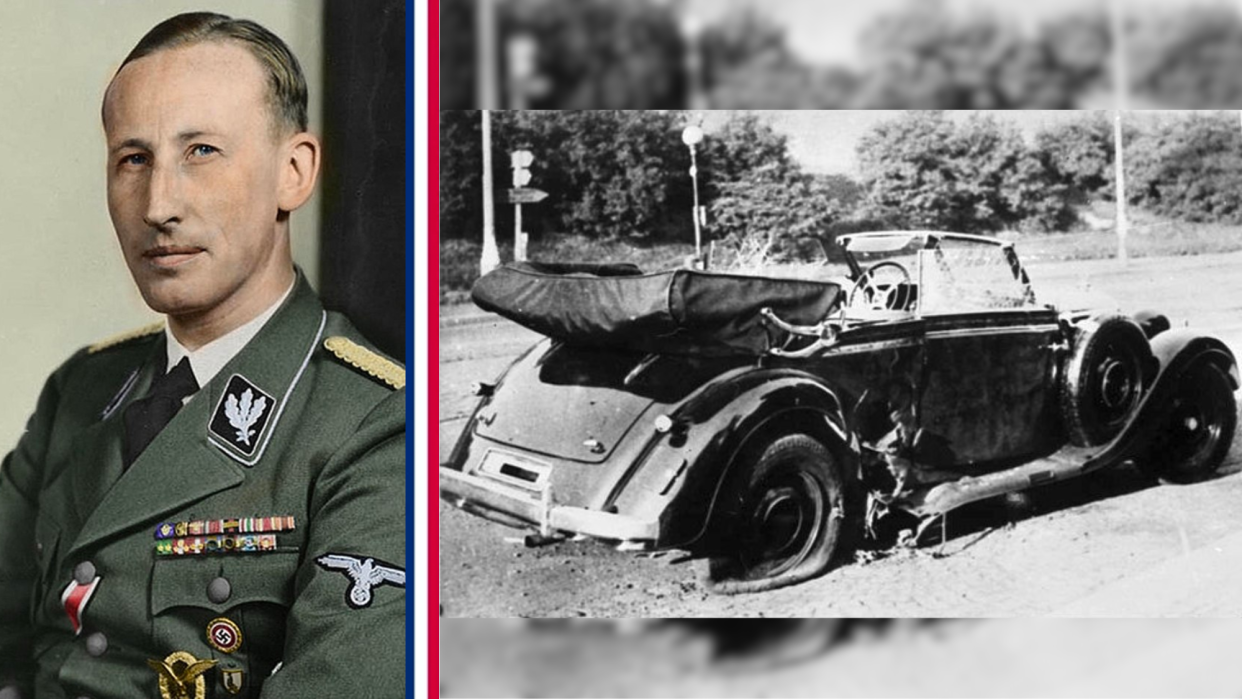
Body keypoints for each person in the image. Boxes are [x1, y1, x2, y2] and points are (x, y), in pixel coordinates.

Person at [0, 12, 405, 699]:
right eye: (134, 159)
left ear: (294, 172)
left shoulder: (376, 424)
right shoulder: (82, 388)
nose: (159, 204)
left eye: (202, 152)